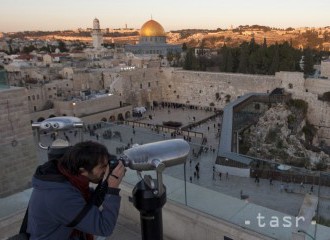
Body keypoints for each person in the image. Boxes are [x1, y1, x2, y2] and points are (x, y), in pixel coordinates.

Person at [27, 141, 126, 240]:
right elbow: (104, 228)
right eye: (102, 167)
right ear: (82, 170)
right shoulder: (61, 196)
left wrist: (106, 180)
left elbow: (91, 203)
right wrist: (112, 189)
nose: (106, 170)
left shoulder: (63, 176)